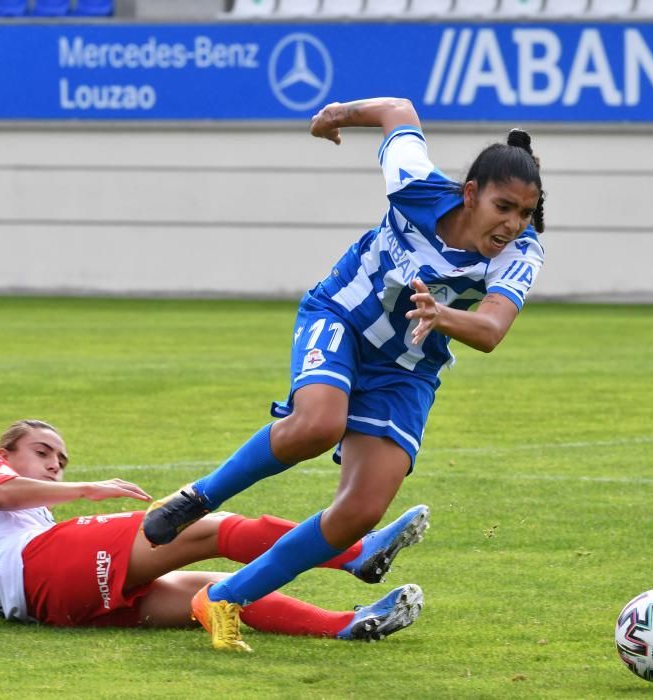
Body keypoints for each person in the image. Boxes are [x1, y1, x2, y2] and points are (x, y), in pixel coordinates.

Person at [142, 96, 547, 651]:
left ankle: (221, 599)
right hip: (343, 317)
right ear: (471, 193)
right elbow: (398, 111)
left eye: (525, 213)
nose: (513, 224)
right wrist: (335, 114)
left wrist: (440, 315)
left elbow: (491, 330)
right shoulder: (416, 184)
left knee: (359, 512)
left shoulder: (521, 252)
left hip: (406, 367)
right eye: (504, 207)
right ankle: (197, 498)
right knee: (317, 424)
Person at [0, 419, 428, 652]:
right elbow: (1, 494)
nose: (55, 464)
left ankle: (346, 626)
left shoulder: (31, 518)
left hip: (44, 605)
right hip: (36, 570)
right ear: (5, 451)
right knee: (207, 528)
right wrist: (88, 489)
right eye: (43, 452)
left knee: (216, 595)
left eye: (62, 460)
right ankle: (358, 553)